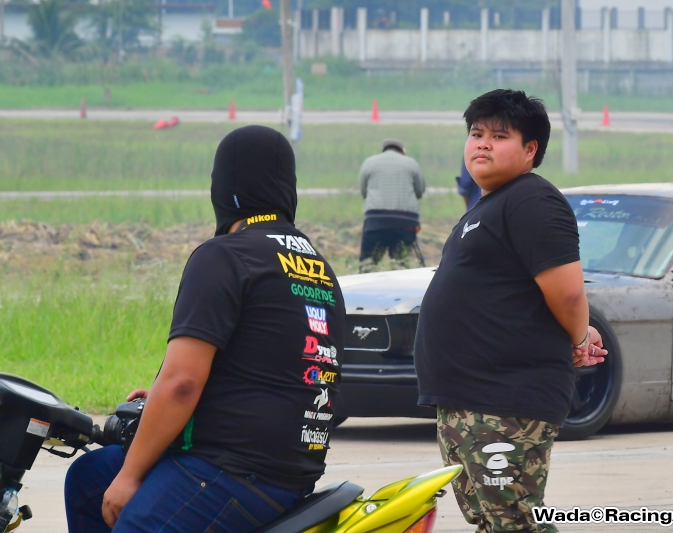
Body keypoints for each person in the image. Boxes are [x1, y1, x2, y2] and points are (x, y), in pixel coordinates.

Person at [64, 126, 345, 532]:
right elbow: (275, 365)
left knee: (127, 506)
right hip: (293, 469)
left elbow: (181, 383)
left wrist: (129, 477)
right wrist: (161, 397)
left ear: (226, 188)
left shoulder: (224, 256)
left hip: (230, 470)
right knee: (89, 479)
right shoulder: (320, 268)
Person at [413, 89, 607, 533]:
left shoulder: (532, 200)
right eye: (476, 133)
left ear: (529, 149)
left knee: (514, 523)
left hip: (504, 400)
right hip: (465, 401)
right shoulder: (487, 207)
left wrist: (581, 338)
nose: (482, 143)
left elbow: (569, 293)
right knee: (489, 521)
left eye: (499, 135)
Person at [358, 138, 426, 266]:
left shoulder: (369, 162)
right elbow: (420, 191)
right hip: (405, 221)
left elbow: (364, 192)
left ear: (383, 150)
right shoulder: (411, 163)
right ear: (402, 152)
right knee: (401, 263)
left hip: (375, 221)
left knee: (368, 264)